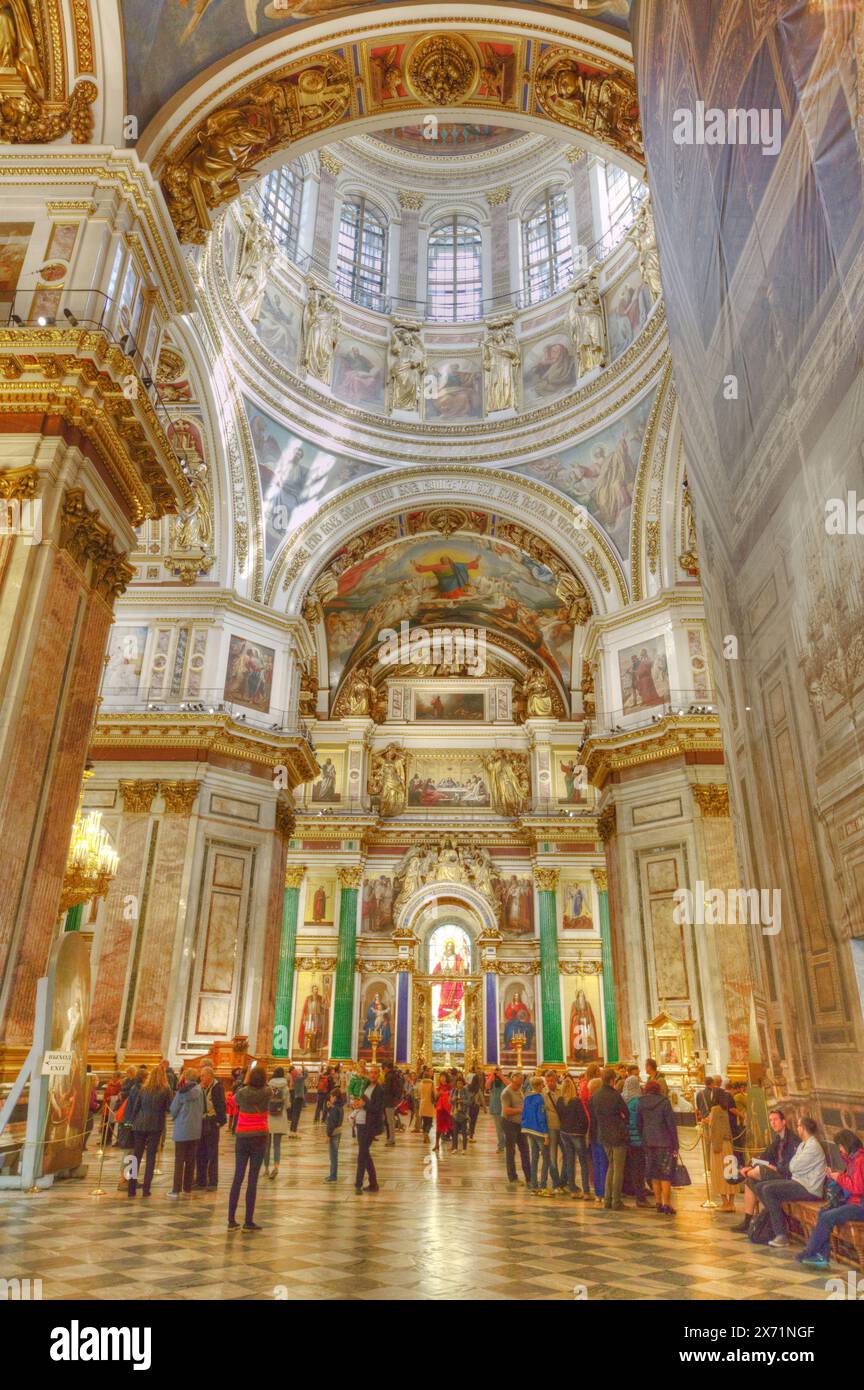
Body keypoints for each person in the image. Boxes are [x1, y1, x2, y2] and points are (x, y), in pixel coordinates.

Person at [798, 1129, 864, 1268]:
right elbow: (852, 1181)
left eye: (840, 1145)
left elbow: (857, 1188)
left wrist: (838, 1177)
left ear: (847, 1144)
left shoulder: (860, 1160)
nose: (839, 1149)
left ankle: (810, 1253)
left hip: (860, 1206)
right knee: (823, 1212)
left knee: (827, 1217)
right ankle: (822, 1255)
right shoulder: (853, 1160)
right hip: (854, 1202)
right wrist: (837, 1175)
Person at [759, 1116, 828, 1248]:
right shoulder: (803, 1144)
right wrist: (794, 1166)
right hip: (799, 1182)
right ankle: (775, 1224)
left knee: (768, 1190)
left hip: (809, 1189)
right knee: (760, 1186)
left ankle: (781, 1234)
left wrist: (794, 1167)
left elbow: (793, 1167)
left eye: (798, 1126)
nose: (797, 1128)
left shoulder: (813, 1146)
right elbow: (794, 1165)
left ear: (803, 1128)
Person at [734, 1107, 801, 1234]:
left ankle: (741, 1175)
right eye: (771, 1121)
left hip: (787, 1177)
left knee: (759, 1171)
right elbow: (765, 1157)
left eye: (775, 1120)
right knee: (750, 1180)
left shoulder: (793, 1140)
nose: (773, 1123)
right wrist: (750, 1166)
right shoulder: (777, 1139)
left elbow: (793, 1165)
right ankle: (747, 1222)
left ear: (783, 1121)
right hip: (775, 1173)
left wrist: (775, 1168)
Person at [228, 1065, 270, 1231]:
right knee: (253, 1179)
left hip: (243, 1137)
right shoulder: (267, 1092)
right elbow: (271, 1093)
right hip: (259, 1136)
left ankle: (231, 1220)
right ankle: (248, 1221)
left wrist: (245, 1082)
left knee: (238, 1177)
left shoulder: (243, 1093)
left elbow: (234, 1100)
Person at [125, 1063, 171, 1199]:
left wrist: (130, 1123)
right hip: (155, 1125)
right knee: (151, 1157)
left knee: (135, 1157)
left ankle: (131, 1188)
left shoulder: (144, 1089)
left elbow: (136, 1108)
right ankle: (146, 1189)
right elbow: (169, 1108)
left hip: (139, 1124)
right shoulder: (165, 1089)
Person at [589, 1066, 630, 1210]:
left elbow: (593, 1118)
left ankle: (607, 1200)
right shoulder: (615, 1095)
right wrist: (622, 1124)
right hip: (617, 1135)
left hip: (603, 1135)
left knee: (611, 1166)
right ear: (613, 1080)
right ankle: (616, 1201)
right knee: (618, 1168)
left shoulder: (595, 1096)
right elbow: (626, 1114)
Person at [637, 1078, 679, 1214]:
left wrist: (643, 1137)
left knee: (654, 1173)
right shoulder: (664, 1102)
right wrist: (675, 1144)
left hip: (649, 1142)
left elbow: (639, 1123)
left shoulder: (641, 1102)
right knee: (665, 1174)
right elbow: (671, 1124)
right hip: (665, 1142)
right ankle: (667, 1203)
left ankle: (658, 1203)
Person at [168, 1072, 204, 1199]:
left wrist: (175, 1116)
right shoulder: (200, 1091)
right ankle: (187, 1188)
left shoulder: (181, 1092)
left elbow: (173, 1109)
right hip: (195, 1130)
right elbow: (203, 1109)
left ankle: (175, 1189)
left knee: (179, 1161)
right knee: (190, 1160)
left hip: (182, 1129)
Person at [558, 1074, 591, 1198]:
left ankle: (572, 1189)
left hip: (564, 1132)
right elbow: (584, 1119)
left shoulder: (560, 1101)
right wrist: (584, 1131)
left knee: (570, 1161)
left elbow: (559, 1116)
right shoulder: (576, 1101)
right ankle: (586, 1191)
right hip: (577, 1133)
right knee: (583, 1162)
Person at [195, 1065, 226, 1191]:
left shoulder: (217, 1087)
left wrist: (219, 1121)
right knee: (200, 1152)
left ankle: (213, 1181)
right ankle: (201, 1180)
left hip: (212, 1123)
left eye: (203, 1075)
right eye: (200, 1075)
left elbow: (220, 1105)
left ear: (210, 1076)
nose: (201, 1077)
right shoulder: (201, 1086)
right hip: (201, 1122)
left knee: (212, 1153)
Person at [354, 1063, 385, 1193]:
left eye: (375, 1073)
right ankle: (373, 1184)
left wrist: (364, 1104)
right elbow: (363, 1102)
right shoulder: (367, 1086)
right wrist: (357, 1104)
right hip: (360, 1122)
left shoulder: (379, 1090)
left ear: (378, 1075)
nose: (372, 1075)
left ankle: (358, 1185)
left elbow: (377, 1109)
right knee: (365, 1154)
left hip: (369, 1125)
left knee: (362, 1155)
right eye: (370, 1072)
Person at [622, 1075, 651, 1207]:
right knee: (640, 1168)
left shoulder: (624, 1099)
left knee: (633, 1168)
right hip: (638, 1140)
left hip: (628, 1139)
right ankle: (641, 1197)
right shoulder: (637, 1101)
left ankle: (635, 1191)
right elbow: (639, 1121)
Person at [522, 1077, 553, 1194]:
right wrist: (546, 1134)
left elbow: (524, 1113)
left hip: (529, 1129)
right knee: (546, 1158)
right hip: (539, 1131)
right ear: (539, 1086)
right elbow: (541, 1116)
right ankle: (543, 1185)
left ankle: (534, 1184)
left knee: (534, 1157)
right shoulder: (540, 1098)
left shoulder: (526, 1097)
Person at [500, 1070, 531, 1186]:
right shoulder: (506, 1093)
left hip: (520, 1124)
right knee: (511, 1151)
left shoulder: (519, 1090)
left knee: (525, 1150)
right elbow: (506, 1111)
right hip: (509, 1124)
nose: (521, 1084)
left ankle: (529, 1177)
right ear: (513, 1080)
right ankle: (512, 1177)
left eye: (522, 1081)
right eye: (519, 1081)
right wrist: (520, 1110)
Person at [542, 1071, 564, 1194]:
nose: (550, 1083)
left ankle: (563, 1180)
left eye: (552, 1081)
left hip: (563, 1126)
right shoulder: (543, 1094)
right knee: (552, 1156)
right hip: (551, 1127)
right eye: (548, 1081)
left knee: (566, 1154)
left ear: (556, 1080)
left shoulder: (562, 1091)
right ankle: (556, 1183)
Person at [265, 1066, 290, 1178]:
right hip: (280, 1117)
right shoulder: (285, 1087)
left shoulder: (269, 1086)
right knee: (277, 1145)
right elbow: (288, 1104)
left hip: (269, 1117)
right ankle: (276, 1167)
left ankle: (266, 1169)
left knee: (267, 1145)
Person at [324, 1088, 345, 1183]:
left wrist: (328, 1135)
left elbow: (331, 1122)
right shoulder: (340, 1107)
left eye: (331, 1096)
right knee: (334, 1154)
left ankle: (333, 1175)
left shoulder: (334, 1108)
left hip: (333, 1133)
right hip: (338, 1131)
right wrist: (329, 1107)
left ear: (335, 1097)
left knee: (333, 1155)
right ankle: (333, 1174)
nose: (330, 1098)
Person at [383, 1063, 403, 1147]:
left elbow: (387, 1089)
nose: (383, 1070)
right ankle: (391, 1138)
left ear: (387, 1068)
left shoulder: (389, 1076)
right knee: (390, 1121)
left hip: (389, 1101)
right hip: (392, 1101)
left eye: (383, 1068)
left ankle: (391, 1139)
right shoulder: (395, 1075)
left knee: (390, 1121)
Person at [434, 1074, 453, 1154]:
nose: (442, 1079)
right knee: (438, 1126)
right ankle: (436, 1144)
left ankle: (454, 1145)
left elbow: (452, 1097)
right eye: (441, 1077)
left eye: (444, 1077)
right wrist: (438, 1094)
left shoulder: (450, 1087)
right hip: (440, 1109)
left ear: (446, 1078)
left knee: (450, 1126)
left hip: (448, 1109)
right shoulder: (438, 1088)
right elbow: (435, 1098)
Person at [488, 1068, 506, 1152]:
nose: (497, 1073)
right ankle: (501, 1145)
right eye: (496, 1072)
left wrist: (501, 1076)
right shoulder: (492, 1081)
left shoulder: (504, 1080)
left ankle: (506, 1143)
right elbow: (486, 1086)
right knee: (499, 1128)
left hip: (506, 1107)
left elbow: (510, 1085)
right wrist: (492, 1076)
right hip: (496, 1107)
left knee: (506, 1128)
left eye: (499, 1071)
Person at [451, 1076, 470, 1153]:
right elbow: (450, 1101)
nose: (459, 1085)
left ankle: (464, 1148)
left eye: (461, 1083)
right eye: (458, 1083)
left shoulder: (466, 1091)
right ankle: (455, 1148)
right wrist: (453, 1099)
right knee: (454, 1132)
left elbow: (469, 1101)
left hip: (463, 1114)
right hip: (455, 1114)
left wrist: (462, 1101)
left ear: (463, 1084)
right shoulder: (454, 1091)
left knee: (464, 1132)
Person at [418, 1067, 436, 1140]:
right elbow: (434, 1094)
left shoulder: (421, 1083)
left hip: (422, 1103)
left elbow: (418, 1093)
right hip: (430, 1104)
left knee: (424, 1121)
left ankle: (424, 1134)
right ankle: (426, 1133)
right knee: (429, 1121)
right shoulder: (432, 1083)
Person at [289, 1065, 307, 1134]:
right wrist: (304, 1068)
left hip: (294, 1095)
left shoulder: (293, 1077)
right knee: (297, 1114)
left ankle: (292, 1130)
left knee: (294, 1113)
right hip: (298, 1097)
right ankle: (293, 1131)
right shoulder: (298, 1078)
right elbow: (306, 1075)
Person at [466, 1069, 483, 1141]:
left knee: (467, 1120)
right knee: (473, 1121)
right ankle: (471, 1136)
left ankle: (466, 1133)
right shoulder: (478, 1088)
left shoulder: (468, 1087)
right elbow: (481, 1098)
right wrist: (485, 1108)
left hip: (468, 1105)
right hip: (475, 1106)